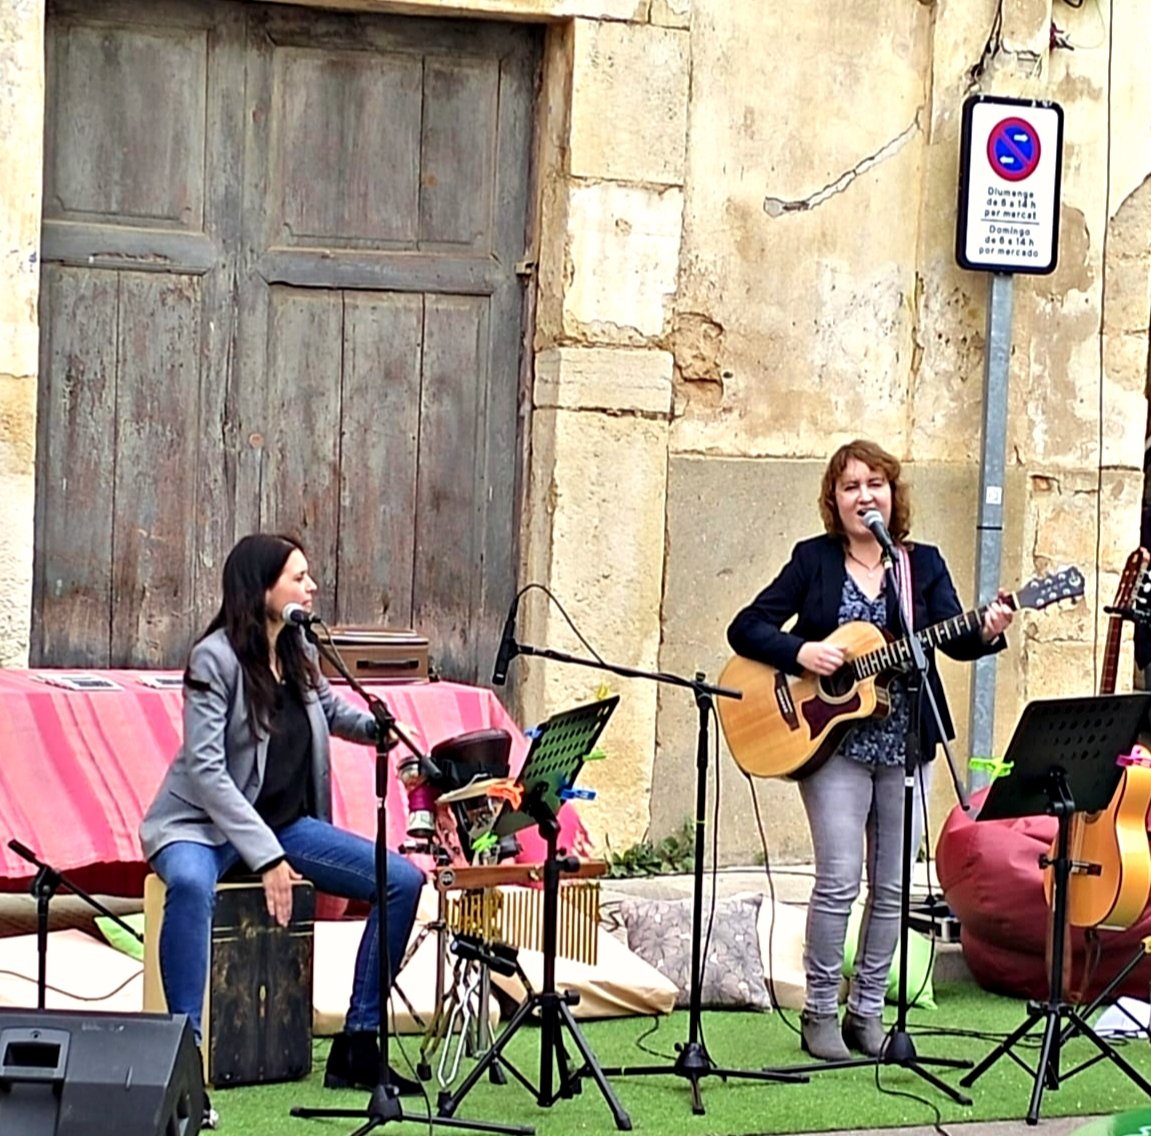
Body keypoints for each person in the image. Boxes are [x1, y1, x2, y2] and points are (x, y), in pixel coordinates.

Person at [726, 440, 1013, 1061]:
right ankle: (820, 1012)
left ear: (893, 494)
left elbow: (951, 640)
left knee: (890, 887)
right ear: (834, 499)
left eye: (875, 484)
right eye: (851, 485)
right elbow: (745, 627)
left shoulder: (921, 565)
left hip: (906, 742)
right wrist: (801, 653)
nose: (865, 496)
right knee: (837, 881)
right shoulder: (814, 561)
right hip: (831, 744)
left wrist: (984, 632)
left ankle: (869, 1014)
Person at [140, 533, 426, 1122]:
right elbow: (207, 769)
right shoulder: (213, 658)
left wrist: (382, 730)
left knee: (400, 881)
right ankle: (185, 1062)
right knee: (191, 886)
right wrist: (268, 858)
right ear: (262, 587)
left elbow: (329, 712)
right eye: (299, 577)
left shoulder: (298, 648)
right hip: (199, 825)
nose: (311, 586)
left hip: (285, 824)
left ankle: (358, 1043)